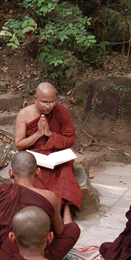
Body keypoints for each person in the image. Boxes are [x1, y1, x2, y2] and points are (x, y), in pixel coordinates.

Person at [0, 151, 80, 260]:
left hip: (0, 257)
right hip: (38, 258)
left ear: (10, 173)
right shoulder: (49, 196)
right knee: (73, 228)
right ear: (38, 172)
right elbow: (59, 231)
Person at [15, 82, 81, 221]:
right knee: (37, 178)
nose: (48, 106)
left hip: (57, 154)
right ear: (35, 99)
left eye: (52, 102)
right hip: (36, 156)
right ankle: (47, 212)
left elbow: (70, 140)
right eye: (44, 102)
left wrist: (50, 134)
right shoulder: (24, 114)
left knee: (66, 172)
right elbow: (19, 144)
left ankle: (66, 212)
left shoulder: (61, 112)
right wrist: (38, 134)